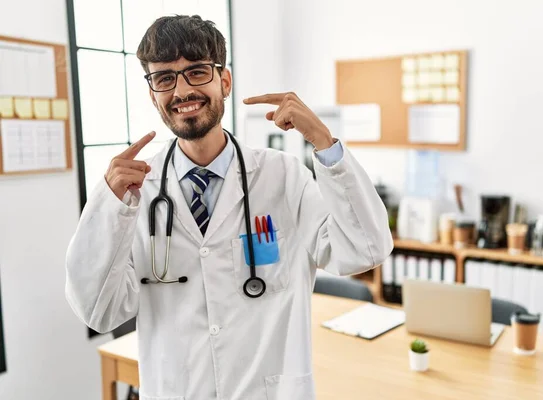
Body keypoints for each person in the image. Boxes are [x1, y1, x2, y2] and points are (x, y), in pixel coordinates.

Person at [65, 15, 393, 400]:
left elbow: (365, 249)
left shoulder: (283, 177)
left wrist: (324, 142)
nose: (182, 90)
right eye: (164, 78)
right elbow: (99, 312)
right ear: (153, 94)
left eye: (197, 72)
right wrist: (106, 206)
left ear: (225, 81)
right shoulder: (136, 193)